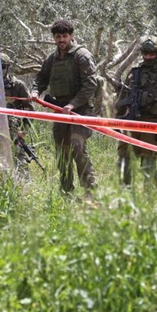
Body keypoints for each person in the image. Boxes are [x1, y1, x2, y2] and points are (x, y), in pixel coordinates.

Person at [31, 19, 98, 195]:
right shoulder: (52, 59)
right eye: (58, 36)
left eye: (65, 36)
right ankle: (66, 190)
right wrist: (35, 92)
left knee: (77, 147)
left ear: (71, 36)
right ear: (54, 38)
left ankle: (90, 191)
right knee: (62, 151)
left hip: (80, 111)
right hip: (59, 111)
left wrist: (72, 104)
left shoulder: (82, 56)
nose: (61, 40)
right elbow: (41, 78)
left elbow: (90, 85)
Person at [115, 36, 157, 190]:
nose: (148, 57)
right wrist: (118, 119)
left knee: (148, 164)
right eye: (146, 53)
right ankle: (124, 197)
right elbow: (123, 96)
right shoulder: (134, 72)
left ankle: (149, 201)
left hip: (151, 123)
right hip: (131, 122)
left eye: (152, 54)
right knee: (124, 161)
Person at [1, 52, 34, 168]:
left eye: (3, 66)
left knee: (20, 160)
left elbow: (30, 111)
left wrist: (23, 132)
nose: (0, 70)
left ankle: (24, 182)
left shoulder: (18, 85)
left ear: (7, 68)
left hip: (14, 129)